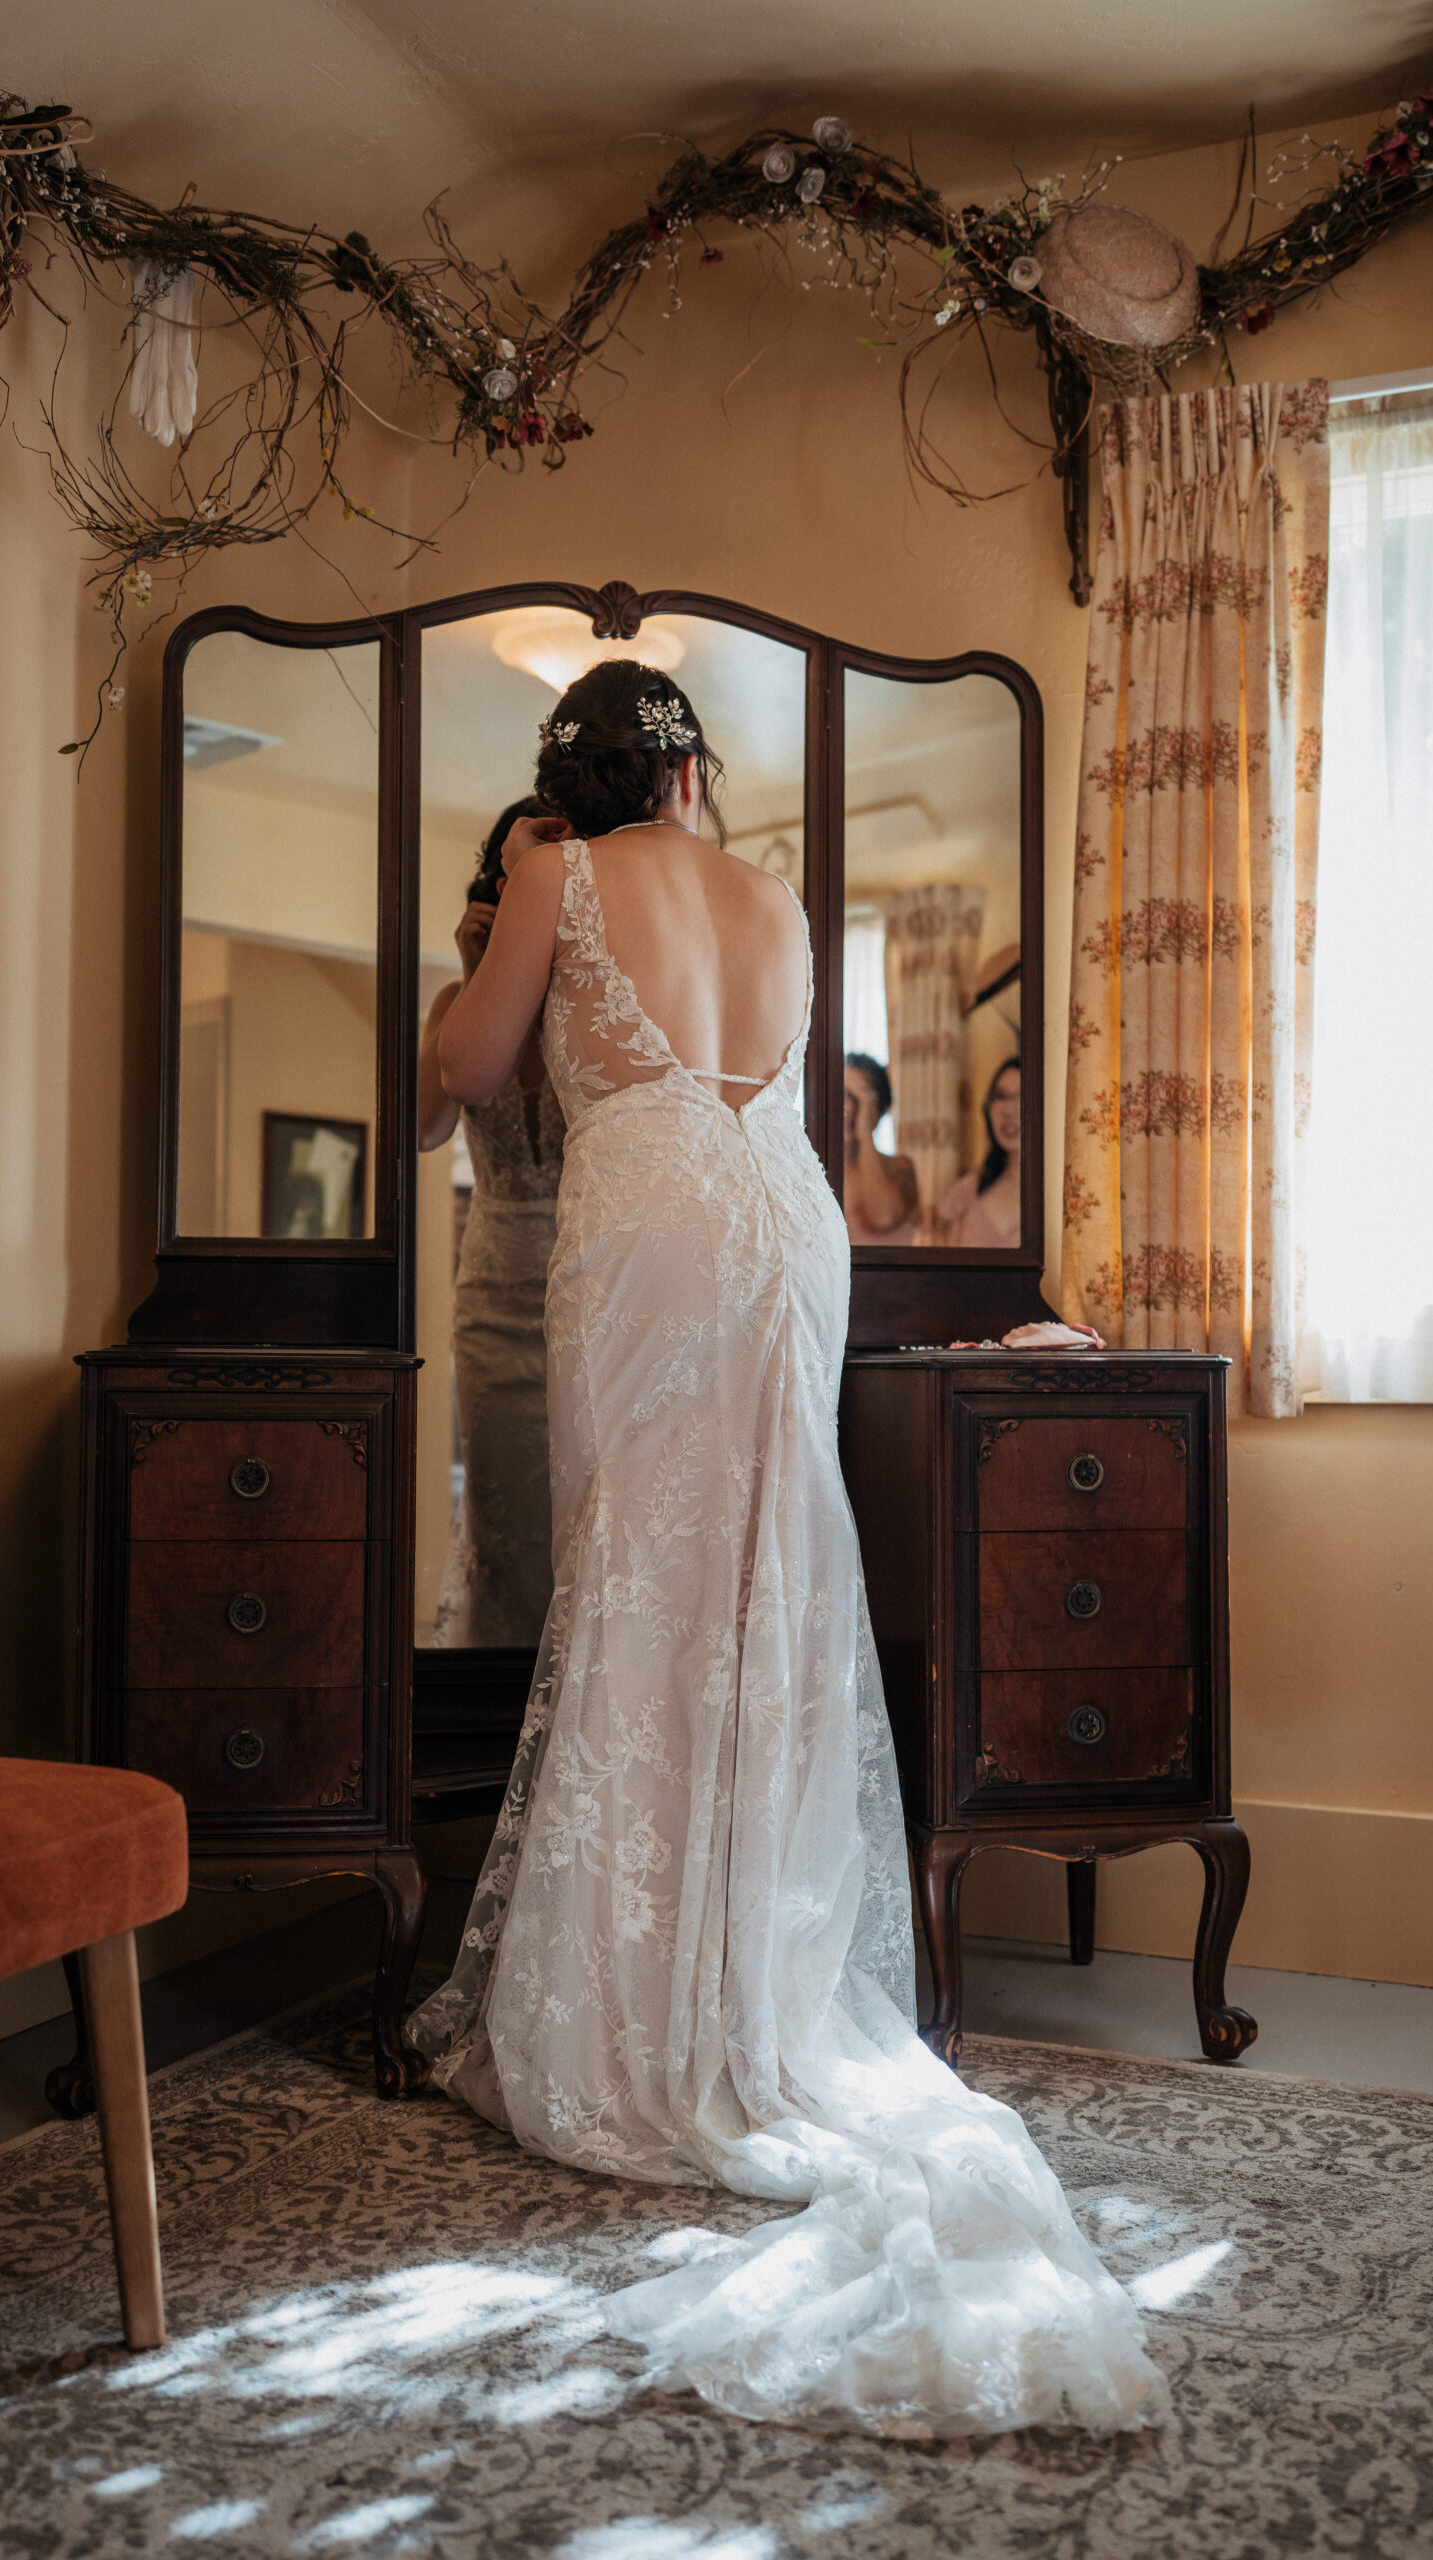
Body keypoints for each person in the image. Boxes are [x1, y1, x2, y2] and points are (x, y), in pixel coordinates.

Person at [405, 659, 1160, 2440]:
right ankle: (754, 1980)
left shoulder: (551, 868)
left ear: (568, 789)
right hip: (778, 1210)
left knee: (640, 1585)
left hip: (652, 1209)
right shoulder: (774, 894)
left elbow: (463, 1065)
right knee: (765, 1584)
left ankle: (641, 2006)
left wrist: (507, 903)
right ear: (688, 778)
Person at [418, 797, 564, 1646]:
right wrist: (476, 981)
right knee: (503, 1522)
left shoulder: (595, 1005)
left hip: (593, 1280)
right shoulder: (457, 1002)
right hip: (495, 1291)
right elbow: (427, 1129)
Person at [937, 1055, 1022, 1248]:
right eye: (1001, 1096)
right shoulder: (966, 1192)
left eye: (1021, 1097)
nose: (1008, 1110)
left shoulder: (1058, 1195)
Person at [842, 1051, 919, 1244]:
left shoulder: (901, 1168)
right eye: (842, 1096)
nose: (849, 1108)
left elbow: (884, 1218)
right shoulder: (814, 1172)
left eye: (859, 1098)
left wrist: (864, 1134)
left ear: (882, 1108)